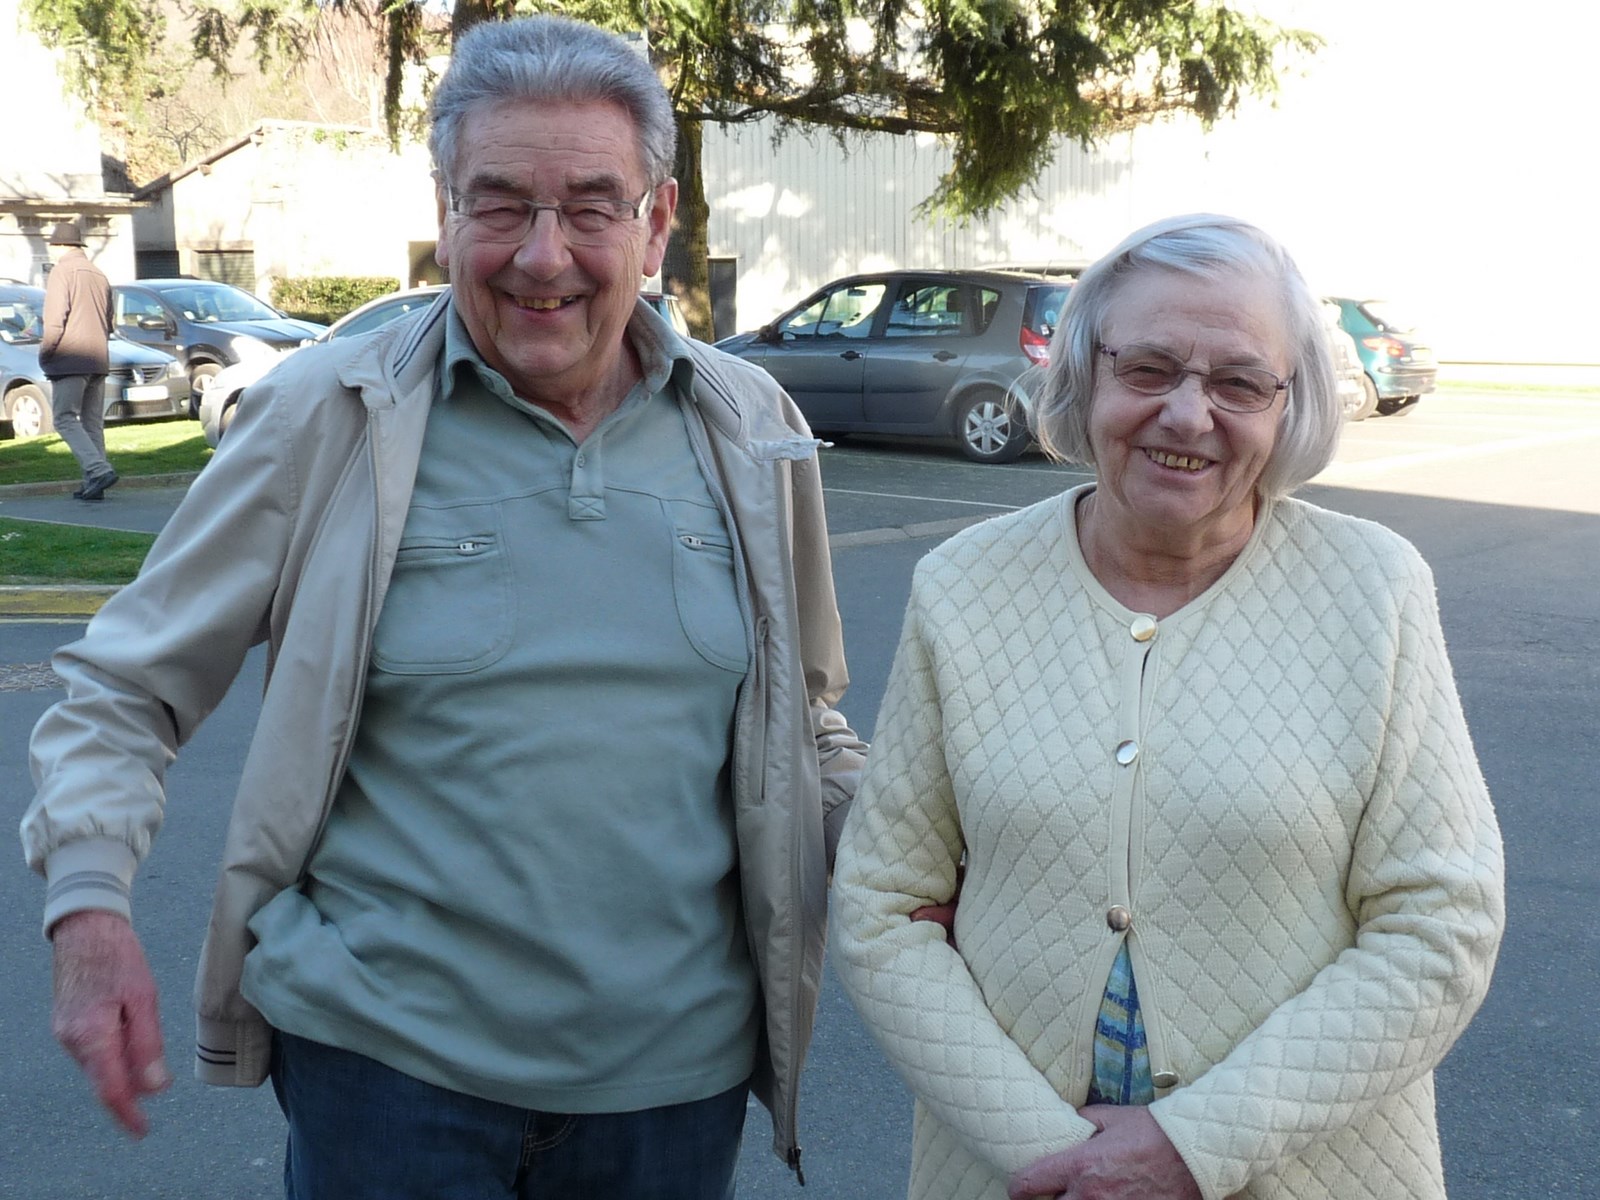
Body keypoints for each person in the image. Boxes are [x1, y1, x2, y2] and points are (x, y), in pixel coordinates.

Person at [23, 16, 865, 1198]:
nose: (542, 255)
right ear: (446, 211)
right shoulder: (329, 413)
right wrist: (89, 912)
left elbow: (806, 728)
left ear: (657, 221)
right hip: (388, 1082)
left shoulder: (753, 428)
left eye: (590, 207)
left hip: (672, 1093)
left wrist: (943, 856)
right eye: (501, 204)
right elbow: (127, 686)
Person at [829, 213, 1504, 1200]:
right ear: (1085, 374)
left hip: (1305, 1169)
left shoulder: (1374, 588)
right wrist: (1059, 1160)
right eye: (1148, 369)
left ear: (1290, 404)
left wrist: (1190, 1147)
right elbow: (882, 907)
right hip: (1017, 1172)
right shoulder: (964, 586)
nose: (1187, 416)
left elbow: (1441, 924)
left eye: (1239, 383)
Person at [39, 219, 117, 500]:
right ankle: (94, 483)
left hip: (70, 359)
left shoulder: (62, 272)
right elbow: (110, 323)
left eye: (52, 245)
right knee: (92, 423)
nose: (51, 251)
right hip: (98, 359)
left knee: (64, 418)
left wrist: (45, 352)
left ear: (60, 245)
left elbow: (55, 321)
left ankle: (98, 470)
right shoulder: (99, 274)